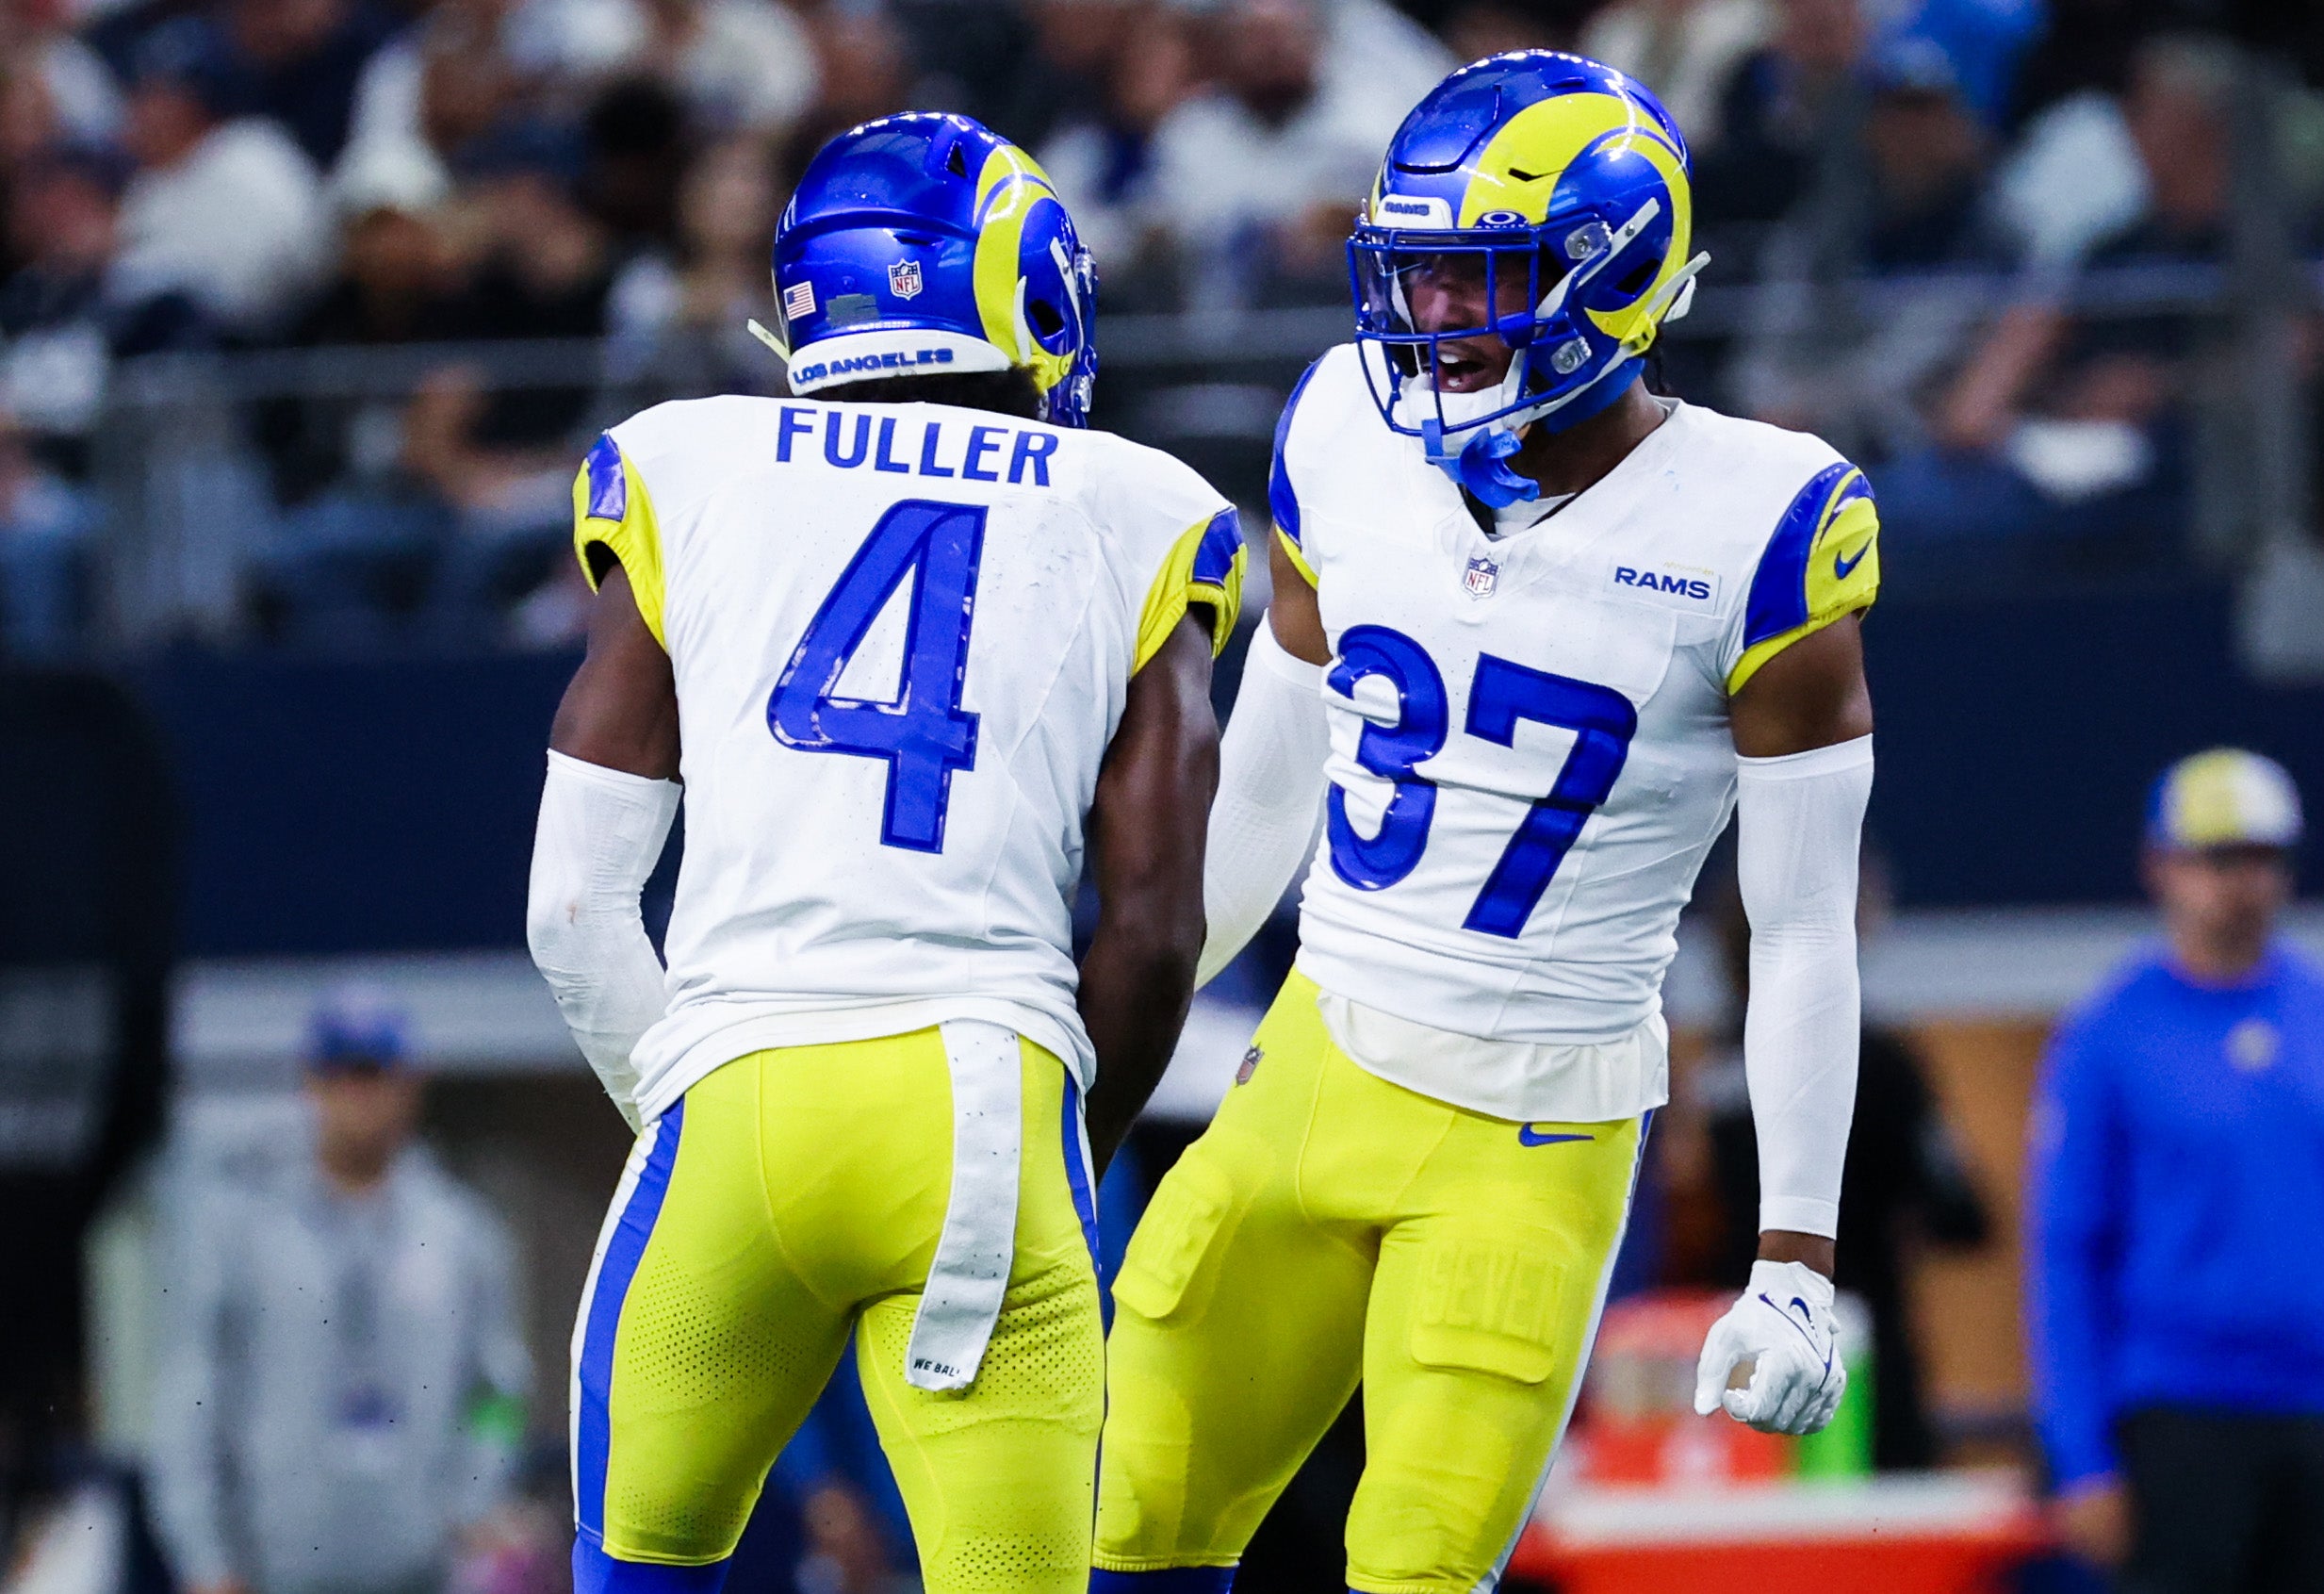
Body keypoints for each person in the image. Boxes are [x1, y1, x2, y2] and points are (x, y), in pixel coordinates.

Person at [1092, 53, 1878, 1593]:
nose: (1436, 318)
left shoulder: (1765, 520)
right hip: (1309, 1064)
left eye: (1484, 276)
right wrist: (1102, 1049)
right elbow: (1263, 781)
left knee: (1413, 1571)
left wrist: (1793, 1256)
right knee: (1123, 1526)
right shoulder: (1336, 425)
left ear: (1618, 273)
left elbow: (1795, 927)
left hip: (1535, 1127)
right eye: (1421, 275)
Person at [525, 112, 1237, 1594]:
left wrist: (702, 1097)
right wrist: (1065, 1145)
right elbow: (1157, 924)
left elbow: (574, 908)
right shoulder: (1136, 506)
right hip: (986, 1105)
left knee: (636, 1567)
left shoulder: (687, 460)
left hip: (730, 1093)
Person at [2027, 748, 2324, 1591]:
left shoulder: (2314, 1010)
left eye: (2264, 859)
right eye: (2220, 859)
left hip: (2314, 1409)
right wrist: (2082, 1457)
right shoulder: (2109, 1037)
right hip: (2180, 1420)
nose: (2244, 885)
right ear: (2162, 866)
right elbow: (2066, 1254)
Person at [147, 990, 531, 1594]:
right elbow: (191, 1395)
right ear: (313, 1082)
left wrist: (474, 1498)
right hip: (273, 1570)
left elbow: (500, 1389)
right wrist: (204, 1556)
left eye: (376, 1072)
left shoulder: (461, 1233)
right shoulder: (242, 1228)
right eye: (343, 1072)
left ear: (411, 1084)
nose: (360, 1094)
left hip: (422, 1568)